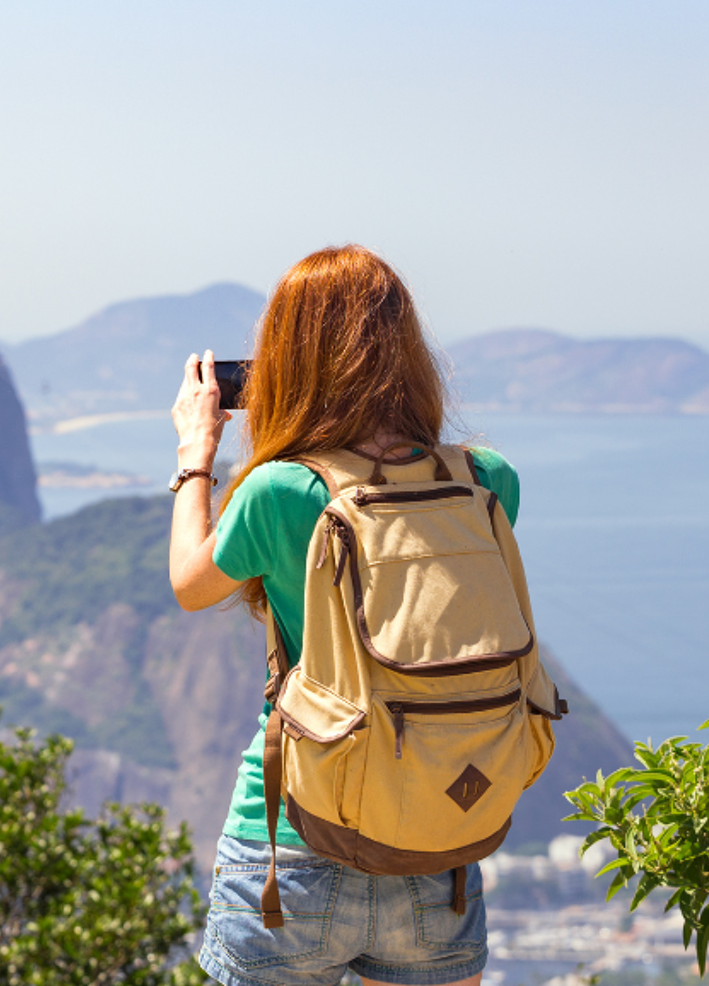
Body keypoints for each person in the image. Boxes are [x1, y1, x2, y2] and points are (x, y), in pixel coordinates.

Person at [166, 245, 519, 986]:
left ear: (290, 358)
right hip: (440, 836)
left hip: (294, 843)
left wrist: (198, 453)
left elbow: (190, 585)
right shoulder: (487, 482)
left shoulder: (281, 492)